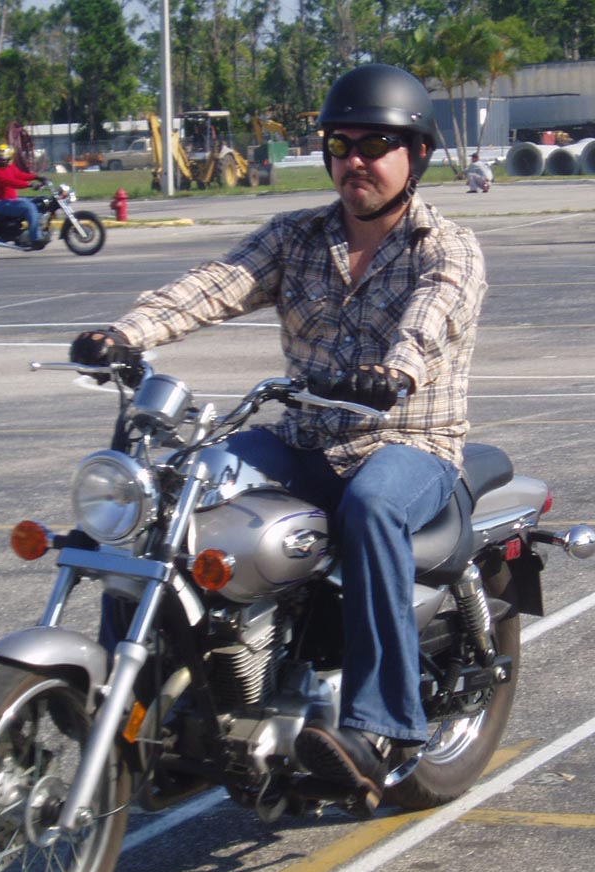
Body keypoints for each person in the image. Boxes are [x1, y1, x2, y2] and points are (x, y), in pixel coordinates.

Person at [69, 63, 487, 815]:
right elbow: (215, 284)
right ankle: (145, 709)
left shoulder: (446, 247)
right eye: (341, 145)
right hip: (303, 441)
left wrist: (394, 371)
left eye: (376, 145)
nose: (355, 160)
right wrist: (125, 334)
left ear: (417, 155)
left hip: (409, 441)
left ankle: (382, 727)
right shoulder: (296, 237)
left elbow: (434, 315)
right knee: (175, 488)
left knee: (372, 509)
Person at [0, 143, 46, 248]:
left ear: (9, 158)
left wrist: (36, 177)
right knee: (29, 207)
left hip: (11, 200)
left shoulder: (10, 168)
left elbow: (20, 175)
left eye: (4, 159)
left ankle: (27, 231)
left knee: (36, 202)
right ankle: (35, 238)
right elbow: (10, 182)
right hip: (0, 203)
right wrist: (29, 185)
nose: (1, 161)